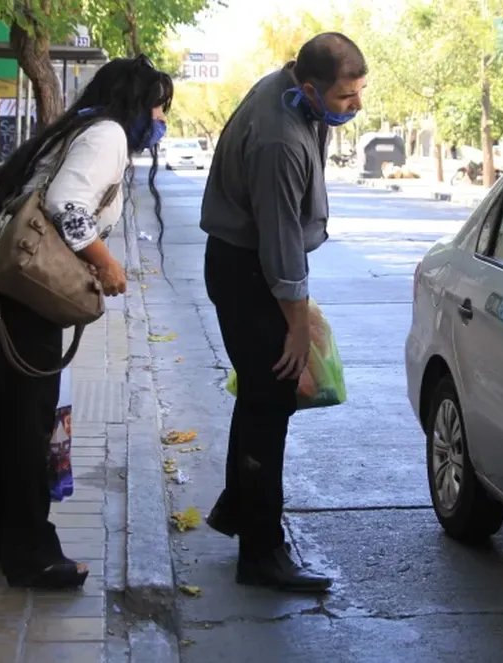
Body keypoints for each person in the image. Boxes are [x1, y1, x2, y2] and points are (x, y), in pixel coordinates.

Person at [0, 55, 172, 590]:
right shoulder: (108, 133)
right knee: (28, 420)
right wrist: (106, 265)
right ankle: (31, 554)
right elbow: (69, 204)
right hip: (1, 290)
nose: (160, 119)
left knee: (9, 414)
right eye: (158, 107)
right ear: (135, 104)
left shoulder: (81, 129)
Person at [200, 33, 366, 592]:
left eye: (360, 92)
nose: (356, 106)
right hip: (250, 272)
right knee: (272, 398)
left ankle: (239, 509)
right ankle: (261, 552)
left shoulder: (296, 95)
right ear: (310, 87)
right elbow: (279, 247)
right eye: (346, 97)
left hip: (254, 267)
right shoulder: (279, 140)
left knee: (259, 396)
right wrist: (297, 325)